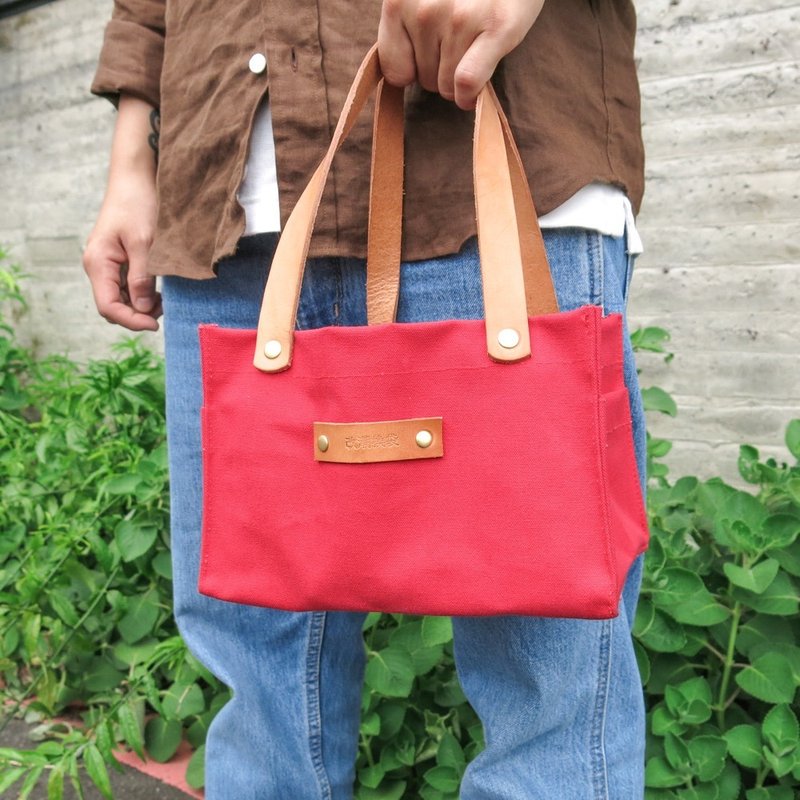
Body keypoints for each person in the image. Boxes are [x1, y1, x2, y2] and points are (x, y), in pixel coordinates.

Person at [83, 1, 648, 797]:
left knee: (551, 682)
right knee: (259, 680)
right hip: (224, 202)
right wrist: (129, 167)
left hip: (497, 172)